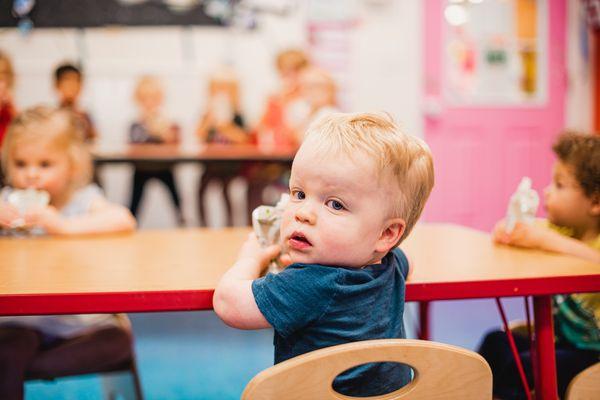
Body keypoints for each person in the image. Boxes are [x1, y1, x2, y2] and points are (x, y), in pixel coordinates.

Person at [214, 112, 435, 396]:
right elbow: (409, 263)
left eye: (335, 204)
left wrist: (250, 259)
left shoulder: (308, 284)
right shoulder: (392, 264)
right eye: (299, 193)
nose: (303, 213)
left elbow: (227, 304)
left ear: (386, 234)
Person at [0, 106, 136, 400]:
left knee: (119, 340)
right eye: (20, 164)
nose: (31, 175)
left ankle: (24, 369)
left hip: (75, 323)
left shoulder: (82, 199)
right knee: (9, 347)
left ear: (72, 166)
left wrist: (62, 224)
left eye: (45, 164)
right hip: (17, 322)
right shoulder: (6, 202)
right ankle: (16, 367)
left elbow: (124, 219)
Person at [478, 132, 600, 400]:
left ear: (594, 202)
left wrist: (549, 240)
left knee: (523, 366)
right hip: (562, 341)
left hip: (593, 355)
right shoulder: (560, 231)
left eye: (559, 185)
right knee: (495, 342)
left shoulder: (565, 238)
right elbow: (523, 231)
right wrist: (508, 229)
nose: (547, 191)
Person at [246, 49, 310, 222]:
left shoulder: (308, 100)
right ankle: (255, 225)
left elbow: (298, 135)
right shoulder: (276, 99)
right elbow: (258, 127)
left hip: (299, 159)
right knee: (254, 183)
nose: (286, 78)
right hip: (276, 157)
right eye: (282, 73)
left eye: (291, 72)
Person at [128, 75, 185, 226]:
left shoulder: (169, 123)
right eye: (145, 98)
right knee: (134, 204)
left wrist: (161, 130)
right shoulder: (136, 125)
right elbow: (133, 145)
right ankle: (130, 224)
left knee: (178, 204)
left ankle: (183, 225)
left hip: (164, 167)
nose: (149, 102)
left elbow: (175, 143)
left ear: (161, 98)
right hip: (142, 168)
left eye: (153, 97)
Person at [196, 67, 248, 226]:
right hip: (210, 164)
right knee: (200, 192)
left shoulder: (237, 115)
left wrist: (225, 126)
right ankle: (203, 224)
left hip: (229, 165)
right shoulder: (207, 115)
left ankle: (230, 225)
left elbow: (243, 138)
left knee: (228, 194)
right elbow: (199, 135)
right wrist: (210, 120)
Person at [54, 63, 97, 143]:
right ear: (57, 84)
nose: (72, 86)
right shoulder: (51, 116)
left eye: (77, 81)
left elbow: (94, 140)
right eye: (67, 81)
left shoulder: (85, 117)